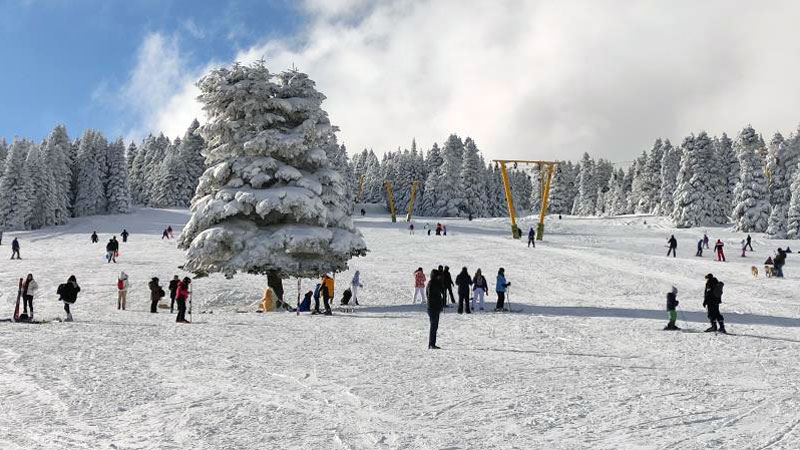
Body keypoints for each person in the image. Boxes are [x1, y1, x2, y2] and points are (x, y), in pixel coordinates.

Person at [426, 269, 444, 349]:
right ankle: (431, 344)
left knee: (435, 326)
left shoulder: (436, 283)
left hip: (435, 308)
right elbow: (430, 296)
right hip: (433, 308)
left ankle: (432, 343)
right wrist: (435, 305)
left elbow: (442, 290)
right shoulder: (431, 284)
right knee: (433, 326)